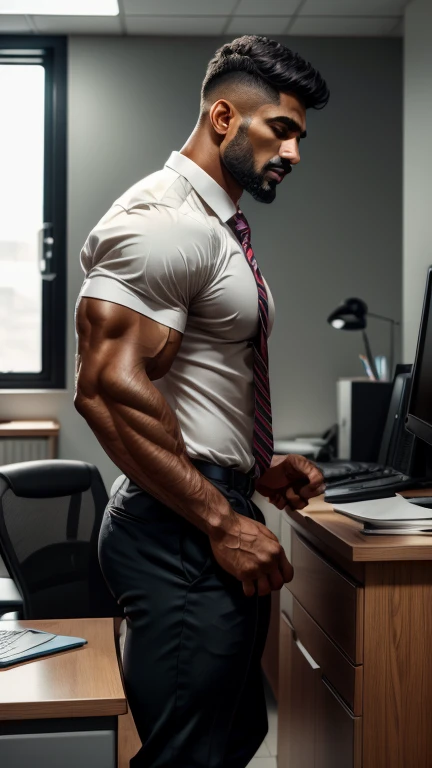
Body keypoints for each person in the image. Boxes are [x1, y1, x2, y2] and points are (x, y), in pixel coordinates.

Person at [74, 35, 329, 768]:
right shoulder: (163, 221)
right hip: (179, 532)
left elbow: (188, 382)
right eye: (280, 129)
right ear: (224, 117)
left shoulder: (213, 226)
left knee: (232, 735)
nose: (293, 152)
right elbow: (106, 390)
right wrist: (220, 516)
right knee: (190, 756)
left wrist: (254, 467)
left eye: (299, 136)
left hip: (205, 508)